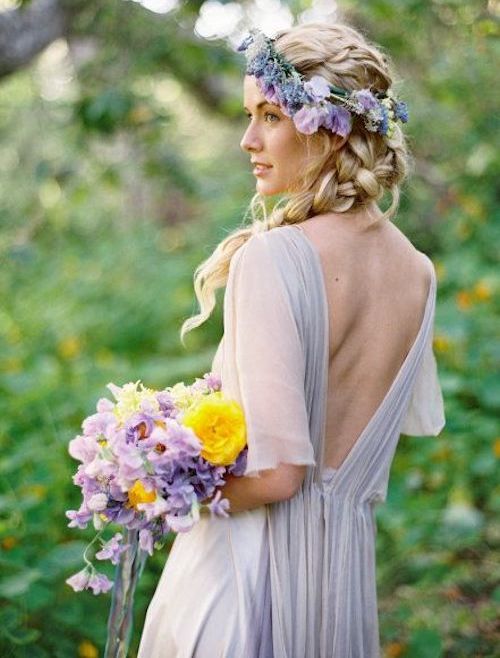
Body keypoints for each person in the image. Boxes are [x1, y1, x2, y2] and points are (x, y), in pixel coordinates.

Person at [137, 20, 445, 658]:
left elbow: (281, 475)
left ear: (328, 127)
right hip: (343, 588)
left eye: (270, 115)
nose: (248, 140)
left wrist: (161, 487)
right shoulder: (418, 271)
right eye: (250, 115)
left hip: (250, 577)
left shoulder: (274, 258)